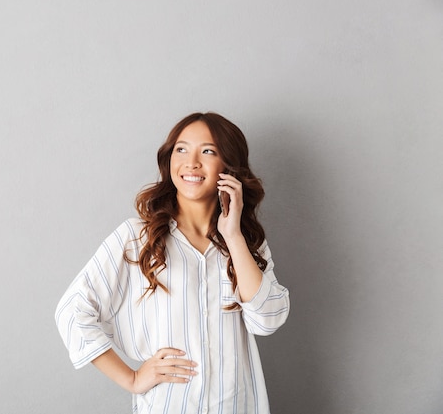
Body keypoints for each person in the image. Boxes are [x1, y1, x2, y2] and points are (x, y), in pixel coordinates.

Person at [55, 112, 290, 414]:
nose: (191, 162)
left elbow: (267, 320)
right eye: (181, 149)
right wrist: (133, 378)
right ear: (169, 160)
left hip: (238, 406)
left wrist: (232, 236)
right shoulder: (136, 238)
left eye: (208, 151)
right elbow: (72, 312)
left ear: (229, 167)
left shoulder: (245, 243)